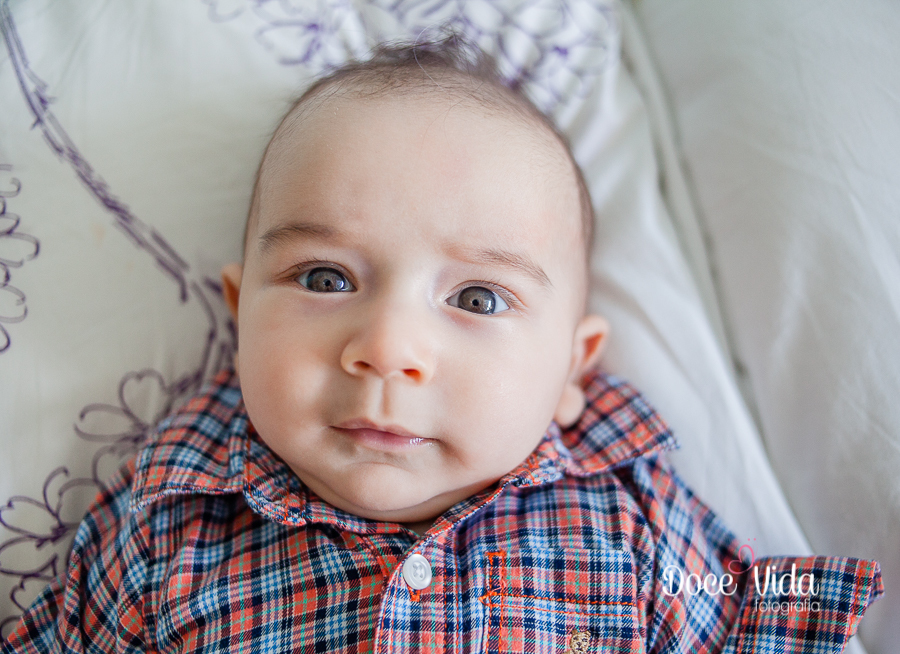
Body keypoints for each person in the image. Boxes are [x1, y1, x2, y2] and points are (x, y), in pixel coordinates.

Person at [3, 36, 882, 654]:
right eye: (325, 279)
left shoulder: (633, 516)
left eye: (476, 296)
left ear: (573, 372)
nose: (387, 349)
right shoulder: (169, 519)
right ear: (241, 318)